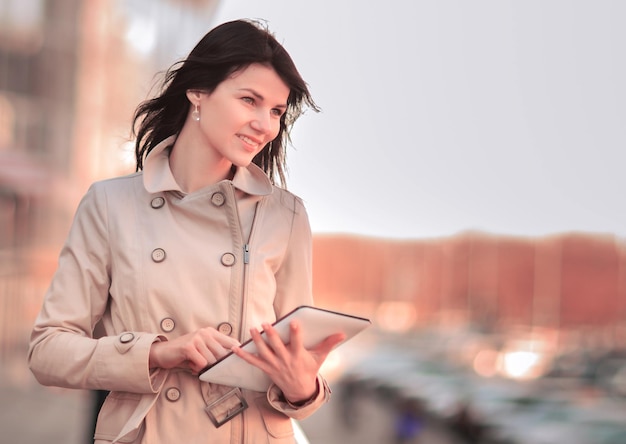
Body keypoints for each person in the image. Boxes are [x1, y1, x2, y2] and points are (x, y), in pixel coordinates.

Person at [28, 19, 345, 444]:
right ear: (197, 91)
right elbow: (47, 351)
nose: (265, 125)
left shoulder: (285, 216)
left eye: (275, 111)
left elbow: (296, 361)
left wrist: (302, 386)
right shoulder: (111, 205)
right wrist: (158, 352)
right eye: (249, 100)